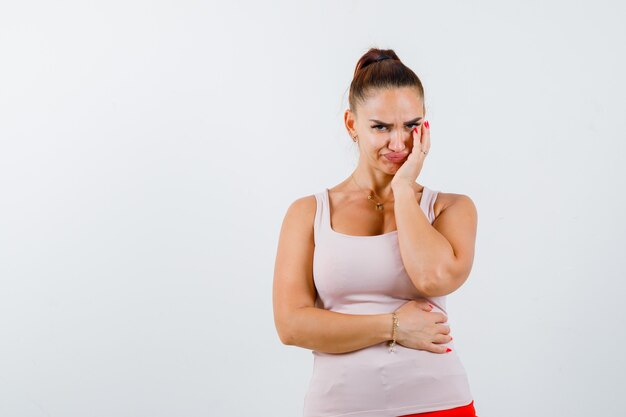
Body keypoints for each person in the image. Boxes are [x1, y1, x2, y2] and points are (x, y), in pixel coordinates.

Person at [272, 47, 479, 417]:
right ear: (352, 124)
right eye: (381, 127)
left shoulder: (450, 208)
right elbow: (291, 325)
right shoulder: (309, 213)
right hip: (339, 407)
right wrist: (395, 326)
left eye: (411, 125)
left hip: (437, 403)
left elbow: (432, 278)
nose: (398, 143)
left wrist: (403, 190)